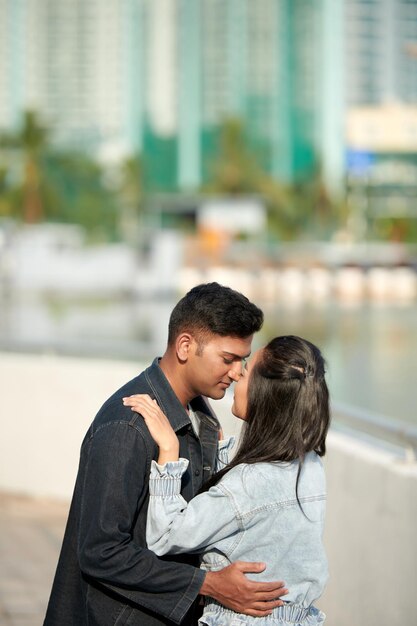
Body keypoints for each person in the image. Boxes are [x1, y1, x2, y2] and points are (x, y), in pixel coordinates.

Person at [44, 283, 289, 626]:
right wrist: (210, 585)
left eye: (243, 361)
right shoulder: (127, 425)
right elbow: (101, 551)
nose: (237, 373)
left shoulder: (201, 416)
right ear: (186, 346)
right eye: (228, 359)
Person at [122, 335, 330, 626]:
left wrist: (169, 450)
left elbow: (164, 536)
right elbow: (252, 517)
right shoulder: (309, 465)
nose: (235, 376)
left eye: (244, 372)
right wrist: (218, 448)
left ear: (264, 393)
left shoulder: (249, 484)